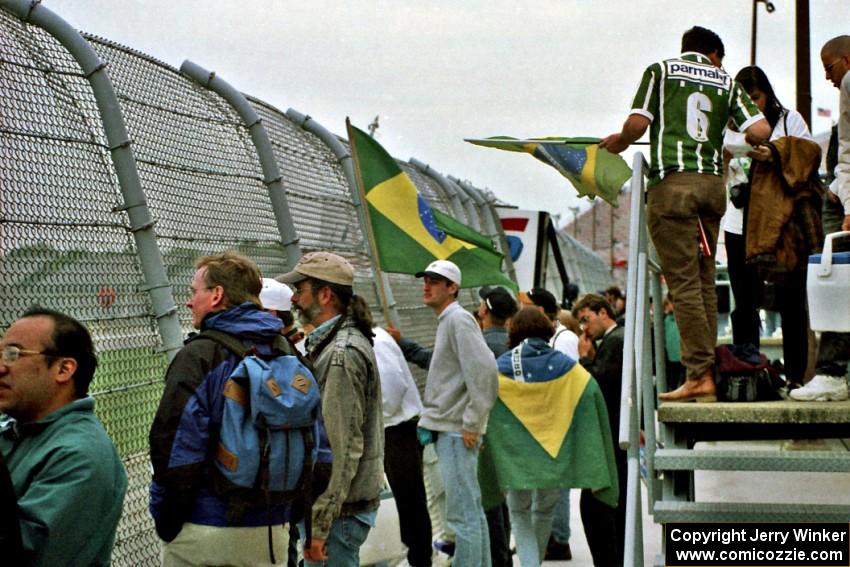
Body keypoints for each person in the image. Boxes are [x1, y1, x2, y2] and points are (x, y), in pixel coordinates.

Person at [601, 26, 771, 402]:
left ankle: (698, 375)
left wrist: (621, 141)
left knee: (683, 285)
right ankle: (705, 367)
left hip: (673, 189)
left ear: (686, 49)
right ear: (711, 53)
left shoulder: (660, 71)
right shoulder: (725, 82)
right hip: (712, 190)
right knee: (704, 279)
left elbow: (637, 124)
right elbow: (761, 128)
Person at [150, 252, 299, 566]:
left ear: (216, 295)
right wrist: (286, 511)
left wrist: (168, 521)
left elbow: (174, 448)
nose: (190, 302)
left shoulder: (200, 355)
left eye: (194, 292)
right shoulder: (287, 351)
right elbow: (320, 447)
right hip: (274, 531)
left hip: (207, 527)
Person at [484, 307, 619, 567]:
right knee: (544, 510)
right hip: (554, 454)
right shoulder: (567, 367)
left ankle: (530, 563)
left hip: (515, 456)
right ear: (547, 330)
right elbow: (590, 396)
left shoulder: (500, 366)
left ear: (513, 331)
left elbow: (485, 401)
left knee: (518, 512)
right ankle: (534, 562)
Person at [277, 251, 385, 566]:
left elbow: (341, 445)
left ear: (325, 295)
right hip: (342, 510)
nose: (294, 299)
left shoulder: (342, 354)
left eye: (300, 290)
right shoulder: (338, 343)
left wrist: (320, 525)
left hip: (339, 514)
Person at [0, 307, 127, 566]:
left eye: (13, 354)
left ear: (63, 369)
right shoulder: (14, 426)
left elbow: (28, 553)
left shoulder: (80, 454)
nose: (1, 366)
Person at [722, 65, 816, 390]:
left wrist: (774, 154)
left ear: (767, 94)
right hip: (739, 224)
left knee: (791, 299)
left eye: (757, 98)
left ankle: (796, 376)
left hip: (780, 225)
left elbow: (808, 158)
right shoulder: (727, 127)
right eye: (745, 99)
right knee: (744, 301)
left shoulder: (790, 121)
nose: (753, 105)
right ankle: (750, 371)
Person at [416, 260, 498, 567]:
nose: (427, 285)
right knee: (470, 511)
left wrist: (472, 423)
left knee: (461, 515)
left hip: (454, 431)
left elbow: (485, 372)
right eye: (425, 280)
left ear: (453, 288)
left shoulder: (457, 320)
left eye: (436, 281)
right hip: (453, 428)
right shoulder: (451, 320)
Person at [791, 36, 850, 401]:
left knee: (837, 280)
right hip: (842, 195)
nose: (827, 76)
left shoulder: (848, 84)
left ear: (846, 60)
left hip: (843, 197)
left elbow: (846, 155)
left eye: (829, 66)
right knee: (838, 278)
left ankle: (832, 374)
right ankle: (831, 371)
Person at [519, 287, 577, 559]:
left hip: (558, 420)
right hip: (548, 420)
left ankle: (558, 538)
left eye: (526, 305)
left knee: (558, 485)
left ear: (541, 310)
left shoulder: (563, 340)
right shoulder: (553, 337)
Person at [573, 293, 627, 567]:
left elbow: (601, 385)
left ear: (603, 313)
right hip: (616, 431)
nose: (585, 327)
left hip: (611, 433)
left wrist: (584, 359)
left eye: (586, 319)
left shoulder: (615, 341)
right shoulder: (615, 341)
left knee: (597, 508)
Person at [372, 326, 433, 567]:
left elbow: (392, 388)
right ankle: (417, 555)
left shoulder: (374, 339)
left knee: (410, 500)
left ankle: (420, 558)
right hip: (392, 427)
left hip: (397, 429)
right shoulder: (373, 337)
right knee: (409, 500)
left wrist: (373, 417)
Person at [477, 286, 519, 567]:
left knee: (489, 499)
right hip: (510, 431)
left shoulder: (480, 346)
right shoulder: (514, 346)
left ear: (485, 310)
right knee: (501, 500)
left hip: (486, 431)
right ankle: (504, 551)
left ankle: (497, 558)